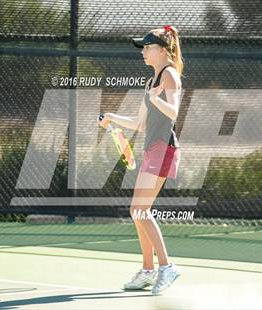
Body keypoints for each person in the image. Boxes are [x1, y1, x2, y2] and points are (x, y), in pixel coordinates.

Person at [98, 25, 183, 295]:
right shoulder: (150, 81)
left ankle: (167, 267)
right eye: (143, 47)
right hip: (151, 149)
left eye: (147, 47)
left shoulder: (169, 75)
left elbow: (174, 112)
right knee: (137, 213)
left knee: (139, 210)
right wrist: (112, 117)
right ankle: (148, 270)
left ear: (162, 50)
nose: (143, 52)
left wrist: (156, 99)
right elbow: (139, 123)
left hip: (164, 149)